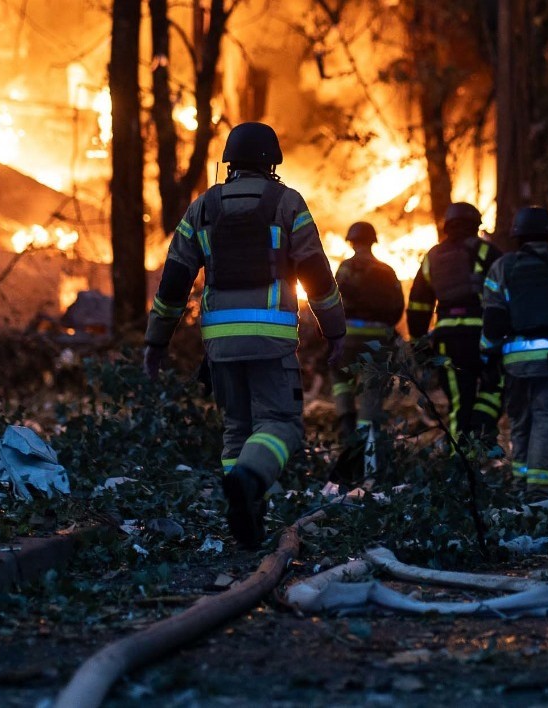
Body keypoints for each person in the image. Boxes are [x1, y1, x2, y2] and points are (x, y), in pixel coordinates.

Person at [143, 121, 346, 548]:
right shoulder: (287, 203)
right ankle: (249, 481)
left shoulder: (202, 208)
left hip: (221, 343)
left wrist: (156, 341)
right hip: (270, 339)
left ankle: (247, 519)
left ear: (229, 162)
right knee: (281, 424)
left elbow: (174, 282)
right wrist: (336, 331)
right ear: (272, 163)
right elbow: (316, 274)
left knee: (237, 429)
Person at [481, 206, 548, 499]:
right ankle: (540, 488)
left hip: (514, 363)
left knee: (520, 421)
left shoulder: (501, 268)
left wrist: (487, 357)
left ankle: (520, 483)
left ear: (516, 235)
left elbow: (492, 322)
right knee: (547, 419)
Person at [406, 202, 502, 440]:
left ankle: (459, 456)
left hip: (448, 341)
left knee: (460, 402)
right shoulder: (488, 252)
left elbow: (418, 304)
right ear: (475, 225)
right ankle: (479, 429)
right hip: (484, 338)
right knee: (496, 386)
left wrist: (419, 343)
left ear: (447, 226)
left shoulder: (433, 257)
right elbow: (505, 296)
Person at [330, 222, 404, 445]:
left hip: (348, 337)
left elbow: (333, 299)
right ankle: (366, 442)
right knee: (373, 389)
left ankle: (346, 419)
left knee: (339, 375)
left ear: (351, 242)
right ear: (373, 242)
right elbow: (398, 306)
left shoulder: (346, 268)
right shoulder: (387, 271)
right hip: (378, 339)